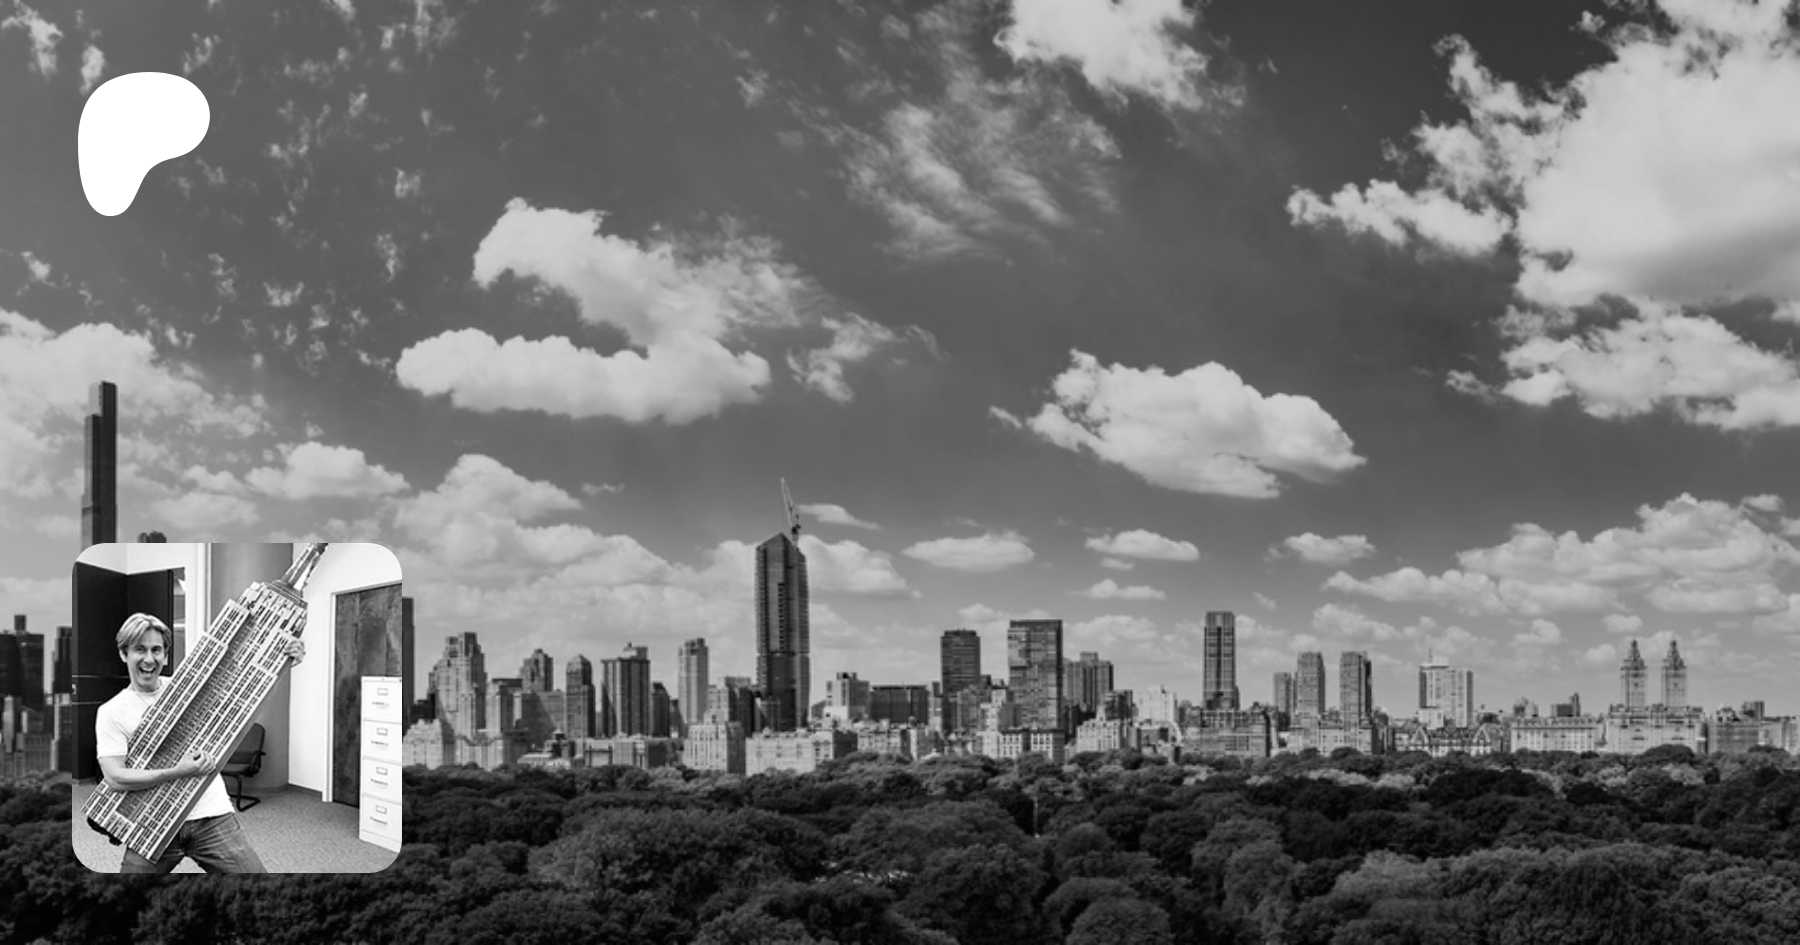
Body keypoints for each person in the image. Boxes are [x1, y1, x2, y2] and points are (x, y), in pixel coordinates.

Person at [96, 612, 305, 873]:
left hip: (211, 817)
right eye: (140, 649)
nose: (149, 659)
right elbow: (115, 777)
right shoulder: (111, 711)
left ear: (166, 655)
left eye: (156, 650)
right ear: (123, 653)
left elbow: (243, 693)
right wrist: (178, 771)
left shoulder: (187, 688)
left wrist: (283, 662)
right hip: (152, 823)